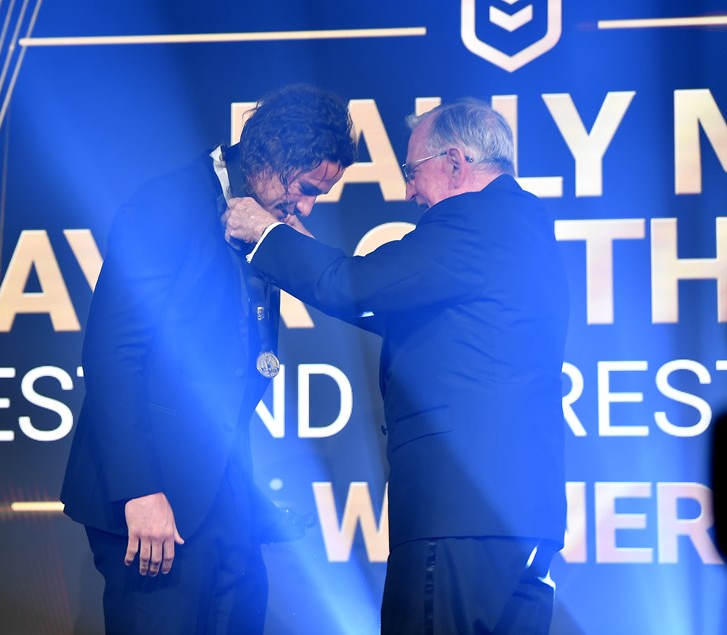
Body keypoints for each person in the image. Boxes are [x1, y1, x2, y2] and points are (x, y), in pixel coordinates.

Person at [224, 98, 569, 634]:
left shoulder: (473, 220)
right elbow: (388, 302)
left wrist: (266, 235)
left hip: (458, 516)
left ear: (454, 163)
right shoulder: (522, 225)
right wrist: (300, 248)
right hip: (523, 523)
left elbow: (357, 285)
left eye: (412, 171)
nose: (409, 191)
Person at [60, 84, 356, 634]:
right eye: (307, 189)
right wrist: (140, 490)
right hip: (155, 498)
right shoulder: (168, 203)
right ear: (272, 156)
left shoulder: (262, 220)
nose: (308, 207)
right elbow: (112, 352)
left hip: (223, 497)